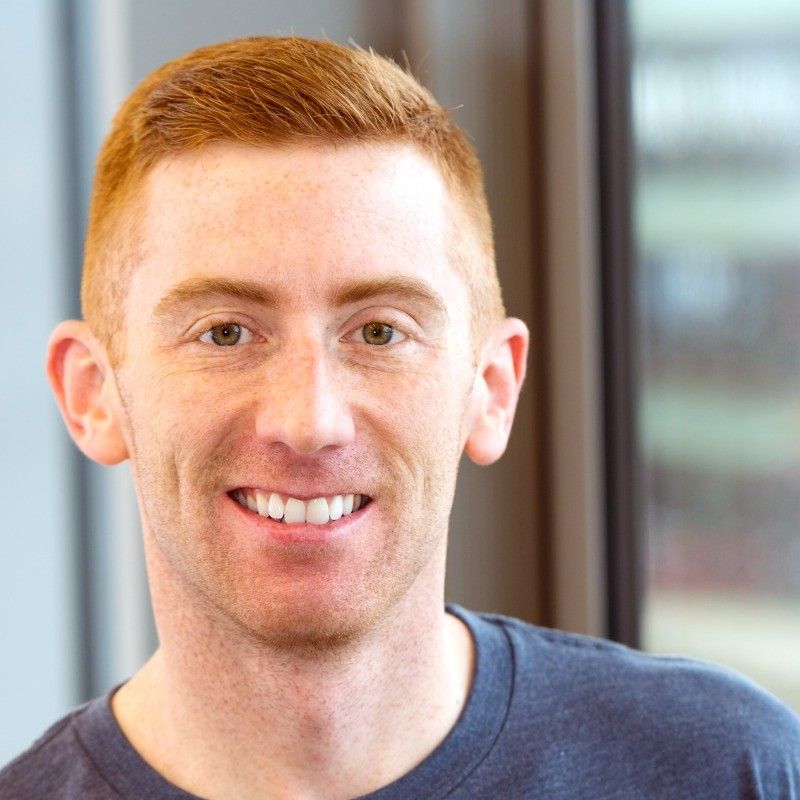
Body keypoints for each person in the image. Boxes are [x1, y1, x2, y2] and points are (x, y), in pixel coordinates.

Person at [1, 35, 798, 800]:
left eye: (380, 331)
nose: (310, 421)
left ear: (490, 388)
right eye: (226, 332)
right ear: (91, 394)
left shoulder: (730, 771)